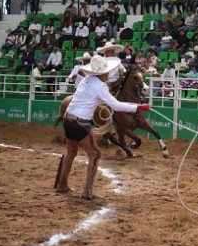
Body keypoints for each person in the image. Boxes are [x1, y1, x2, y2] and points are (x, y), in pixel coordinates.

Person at [55, 56, 151, 199]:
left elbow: (94, 99)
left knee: (71, 152)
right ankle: (87, 192)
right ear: (101, 73)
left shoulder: (87, 80)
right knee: (95, 154)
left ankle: (62, 184)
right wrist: (138, 107)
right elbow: (116, 105)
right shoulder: (100, 86)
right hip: (81, 123)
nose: (108, 74)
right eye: (107, 72)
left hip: (68, 120)